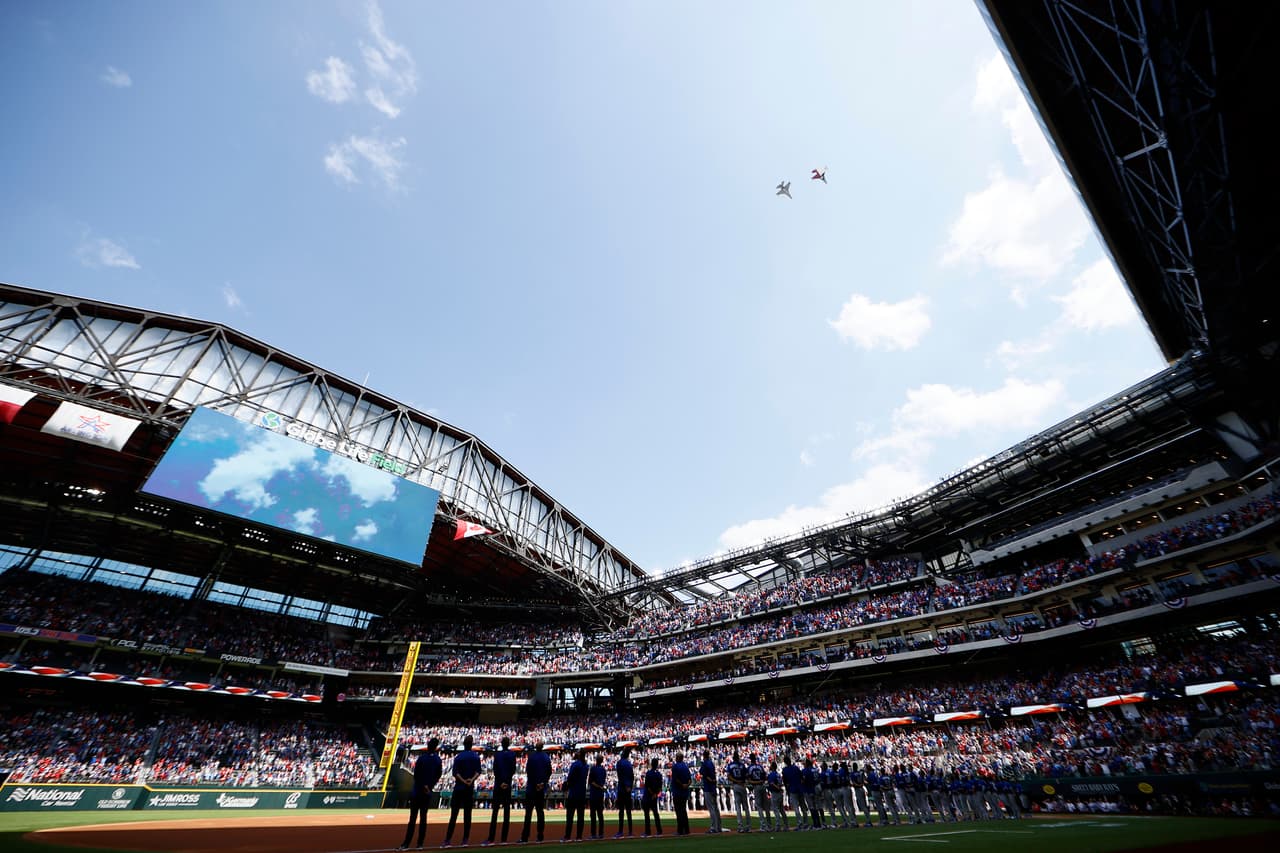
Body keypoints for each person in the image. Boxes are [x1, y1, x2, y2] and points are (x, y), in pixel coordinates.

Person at [402, 739, 443, 851]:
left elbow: (416, 775)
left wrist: (423, 785)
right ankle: (420, 844)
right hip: (427, 793)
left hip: (417, 792)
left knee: (412, 819)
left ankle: (406, 843)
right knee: (423, 819)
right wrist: (429, 786)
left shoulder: (422, 758)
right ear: (435, 748)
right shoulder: (438, 760)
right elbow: (438, 775)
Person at [442, 735, 481, 848]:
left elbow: (455, 773)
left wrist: (463, 781)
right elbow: (478, 771)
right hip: (469, 789)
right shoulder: (475, 756)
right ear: (471, 744)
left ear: (464, 744)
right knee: (467, 815)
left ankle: (448, 840)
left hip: (459, 788)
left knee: (454, 815)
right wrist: (470, 780)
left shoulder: (458, 757)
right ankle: (465, 840)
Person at [484, 736, 517, 846]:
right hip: (507, 785)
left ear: (502, 744)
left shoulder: (497, 755)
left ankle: (491, 838)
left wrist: (501, 782)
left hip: (498, 785)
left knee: (495, 812)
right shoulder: (512, 755)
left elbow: (495, 770)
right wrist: (506, 782)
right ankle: (504, 839)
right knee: (506, 812)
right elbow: (513, 770)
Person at [520, 741, 551, 844]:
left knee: (528, 813)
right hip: (541, 789)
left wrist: (536, 784)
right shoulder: (546, 757)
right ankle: (540, 836)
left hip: (531, 788)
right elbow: (549, 772)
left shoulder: (532, 757)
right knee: (540, 812)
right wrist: (543, 783)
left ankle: (525, 837)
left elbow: (529, 771)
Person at [561, 749, 588, 842]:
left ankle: (567, 836)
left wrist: (566, 786)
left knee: (570, 816)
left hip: (573, 793)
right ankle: (579, 836)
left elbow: (570, 778)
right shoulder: (586, 765)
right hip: (582, 793)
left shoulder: (576, 764)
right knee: (581, 816)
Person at [699, 749, 722, 833]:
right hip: (713, 787)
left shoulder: (705, 763)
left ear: (703, 755)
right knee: (716, 808)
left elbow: (703, 774)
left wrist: (710, 780)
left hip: (708, 788)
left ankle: (713, 827)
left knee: (711, 808)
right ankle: (719, 827)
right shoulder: (711, 763)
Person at [726, 750, 749, 832]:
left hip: (736, 785)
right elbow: (746, 776)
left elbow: (728, 776)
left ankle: (740, 826)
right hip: (742, 785)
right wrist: (742, 781)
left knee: (738, 807)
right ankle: (748, 826)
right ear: (738, 757)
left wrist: (736, 780)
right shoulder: (742, 765)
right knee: (746, 806)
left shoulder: (730, 765)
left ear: (733, 757)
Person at [670, 752, 692, 836]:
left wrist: (682, 785)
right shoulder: (686, 767)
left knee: (679, 812)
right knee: (683, 811)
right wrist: (686, 785)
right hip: (685, 792)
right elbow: (690, 780)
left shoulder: (675, 766)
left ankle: (680, 830)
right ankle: (686, 829)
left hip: (678, 791)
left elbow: (676, 779)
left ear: (678, 758)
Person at [614, 748, 635, 837]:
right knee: (628, 811)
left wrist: (626, 786)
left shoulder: (619, 763)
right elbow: (632, 776)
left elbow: (620, 776)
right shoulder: (629, 764)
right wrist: (629, 787)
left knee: (621, 811)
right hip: (628, 789)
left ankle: (620, 831)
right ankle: (630, 831)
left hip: (621, 789)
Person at [641, 757, 663, 837]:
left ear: (651, 764)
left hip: (647, 796)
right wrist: (655, 794)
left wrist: (652, 794)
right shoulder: (659, 774)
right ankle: (659, 831)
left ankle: (648, 832)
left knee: (647, 815)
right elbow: (660, 787)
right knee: (656, 814)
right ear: (657, 765)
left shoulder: (649, 773)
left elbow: (647, 786)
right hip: (654, 797)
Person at [747, 753, 768, 832]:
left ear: (750, 759)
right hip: (763, 785)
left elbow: (749, 779)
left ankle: (763, 826)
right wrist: (761, 781)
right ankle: (768, 826)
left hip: (756, 786)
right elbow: (765, 777)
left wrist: (756, 782)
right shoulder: (760, 766)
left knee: (759, 806)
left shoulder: (750, 767)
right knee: (766, 806)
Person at [588, 753, 607, 839]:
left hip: (594, 794)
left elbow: (591, 782)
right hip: (600, 794)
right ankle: (601, 833)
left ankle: (593, 834)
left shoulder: (593, 769)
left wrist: (598, 786)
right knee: (600, 814)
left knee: (593, 815)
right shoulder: (603, 770)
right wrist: (600, 787)